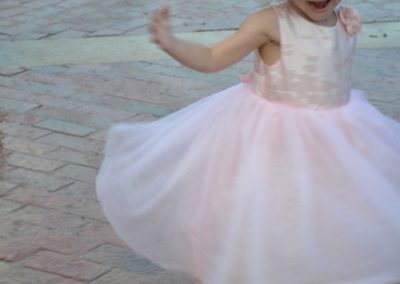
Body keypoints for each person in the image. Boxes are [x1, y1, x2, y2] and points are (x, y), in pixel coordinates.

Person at [96, 0, 400, 283]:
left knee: (332, 215)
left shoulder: (343, 17)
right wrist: (171, 42)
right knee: (273, 215)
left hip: (338, 139)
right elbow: (213, 58)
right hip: (275, 143)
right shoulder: (270, 22)